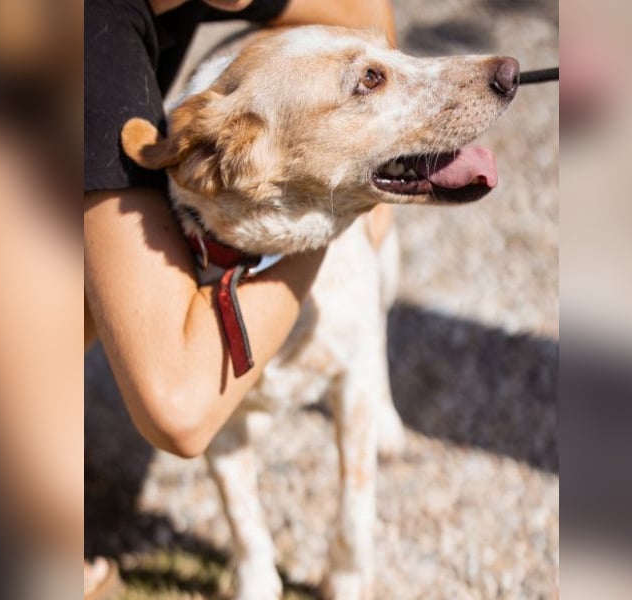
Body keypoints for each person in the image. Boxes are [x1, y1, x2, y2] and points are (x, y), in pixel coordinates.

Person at [84, 0, 396, 597]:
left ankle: (353, 548)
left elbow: (363, 11)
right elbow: (183, 408)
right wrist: (325, 205)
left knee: (364, 329)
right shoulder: (86, 47)